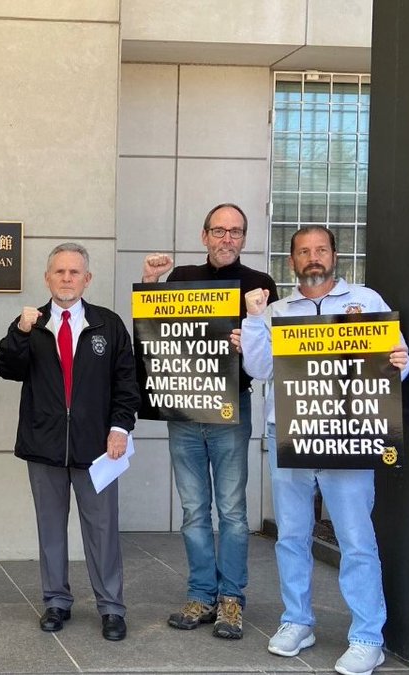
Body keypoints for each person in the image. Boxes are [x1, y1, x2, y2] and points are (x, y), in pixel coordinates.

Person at [238, 225, 409, 675]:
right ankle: (297, 621)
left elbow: (398, 366)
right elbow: (257, 368)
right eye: (303, 252)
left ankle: (367, 635)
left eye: (320, 249)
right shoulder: (275, 309)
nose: (312, 257)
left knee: (355, 539)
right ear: (292, 260)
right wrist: (255, 321)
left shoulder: (367, 301)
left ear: (334, 254)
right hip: (289, 435)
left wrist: (400, 365)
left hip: (348, 437)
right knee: (291, 537)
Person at [141, 203, 279, 639]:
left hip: (231, 411)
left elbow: (269, 361)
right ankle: (201, 594)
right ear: (204, 237)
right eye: (218, 231)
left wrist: (251, 341)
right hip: (183, 410)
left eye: (235, 232)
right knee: (194, 510)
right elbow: (153, 335)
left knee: (233, 512)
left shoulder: (260, 285)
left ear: (244, 238)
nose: (226, 239)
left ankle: (231, 600)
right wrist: (149, 283)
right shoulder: (180, 279)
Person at [0, 242, 140, 641]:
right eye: (59, 272)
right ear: (47, 278)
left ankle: (111, 607)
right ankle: (56, 601)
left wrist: (120, 428)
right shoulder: (32, 323)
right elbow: (5, 366)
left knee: (103, 529)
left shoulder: (108, 325)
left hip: (97, 450)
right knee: (51, 529)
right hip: (44, 446)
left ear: (87, 279)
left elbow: (127, 383)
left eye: (75, 272)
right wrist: (20, 332)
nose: (67, 278)